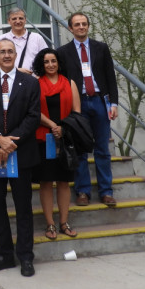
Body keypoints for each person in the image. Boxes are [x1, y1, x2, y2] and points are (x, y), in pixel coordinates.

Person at [0, 39, 42, 277]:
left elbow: (33, 117)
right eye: (1, 51)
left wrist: (11, 142)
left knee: (23, 206)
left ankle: (26, 257)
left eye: (10, 51)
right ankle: (4, 255)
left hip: (20, 151)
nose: (5, 55)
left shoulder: (31, 83)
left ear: (16, 55)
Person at [56, 12, 119, 207]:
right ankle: (82, 192)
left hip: (99, 102)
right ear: (70, 28)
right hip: (77, 104)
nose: (81, 27)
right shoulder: (63, 52)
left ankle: (106, 191)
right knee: (80, 149)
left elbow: (110, 76)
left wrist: (114, 104)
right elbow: (62, 82)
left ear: (88, 26)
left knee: (102, 149)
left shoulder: (101, 48)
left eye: (84, 24)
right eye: (77, 24)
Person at [33, 47, 81, 239]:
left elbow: (77, 112)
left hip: (66, 138)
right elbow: (34, 111)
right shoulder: (36, 84)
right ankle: (50, 224)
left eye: (53, 61)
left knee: (63, 182)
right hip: (43, 138)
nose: (50, 65)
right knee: (46, 182)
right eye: (46, 62)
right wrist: (53, 125)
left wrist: (63, 128)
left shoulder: (70, 83)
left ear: (59, 63)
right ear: (41, 65)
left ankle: (63, 222)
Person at [0, 8, 50, 74]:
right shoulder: (1, 39)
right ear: (9, 21)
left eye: (21, 18)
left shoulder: (37, 38)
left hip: (33, 81)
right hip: (10, 81)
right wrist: (16, 71)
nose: (18, 21)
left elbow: (47, 59)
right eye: (14, 19)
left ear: (25, 20)